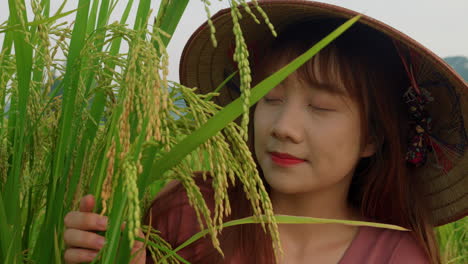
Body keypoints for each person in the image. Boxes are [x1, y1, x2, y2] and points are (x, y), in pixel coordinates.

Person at [63, 1, 468, 263]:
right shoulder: (191, 214)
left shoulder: (394, 257)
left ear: (372, 138)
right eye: (270, 98)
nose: (284, 128)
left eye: (321, 107)